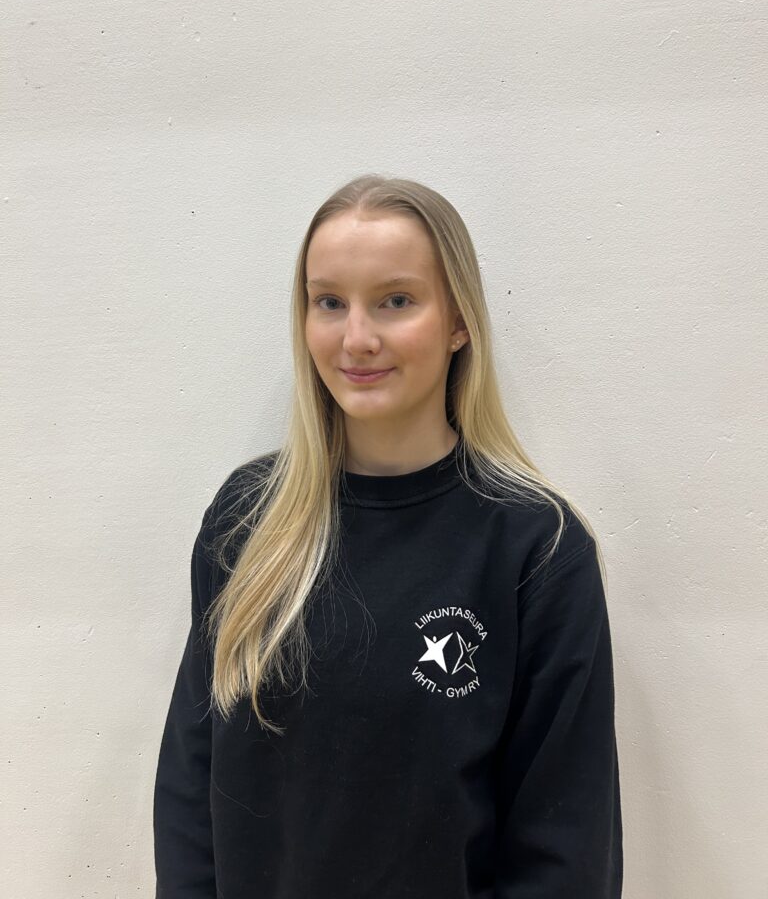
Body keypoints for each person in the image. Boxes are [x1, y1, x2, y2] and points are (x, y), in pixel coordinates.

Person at [152, 174, 623, 898]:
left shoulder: (537, 549)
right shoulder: (246, 521)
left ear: (459, 321)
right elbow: (190, 786)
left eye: (396, 301)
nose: (357, 338)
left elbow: (568, 846)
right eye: (329, 302)